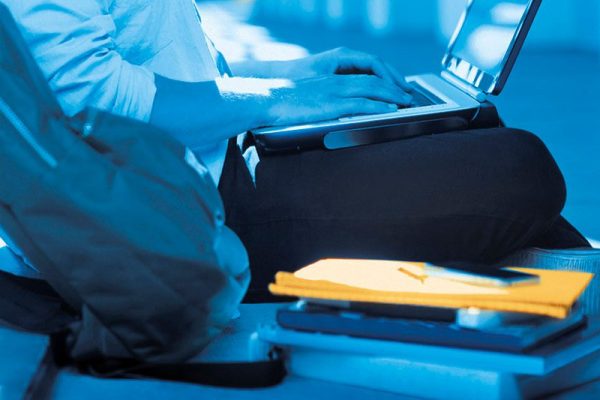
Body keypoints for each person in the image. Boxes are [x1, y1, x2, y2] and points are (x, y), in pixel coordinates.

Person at [2, 0, 589, 301]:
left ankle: (574, 282)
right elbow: (91, 103)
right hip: (177, 223)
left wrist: (298, 72)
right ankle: (575, 282)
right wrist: (281, 99)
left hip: (206, 165)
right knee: (518, 165)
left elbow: (157, 58)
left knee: (462, 131)